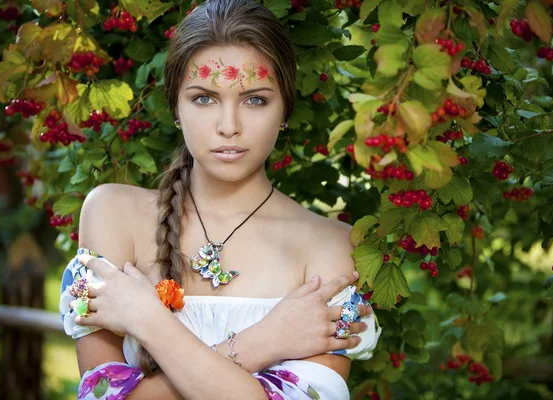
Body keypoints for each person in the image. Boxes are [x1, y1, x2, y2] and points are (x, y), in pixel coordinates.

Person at [59, 0, 382, 398]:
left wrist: (147, 319)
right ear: (175, 105)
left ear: (285, 109)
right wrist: (263, 342)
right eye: (204, 98)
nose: (229, 127)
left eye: (255, 100)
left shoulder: (331, 246)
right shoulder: (112, 213)